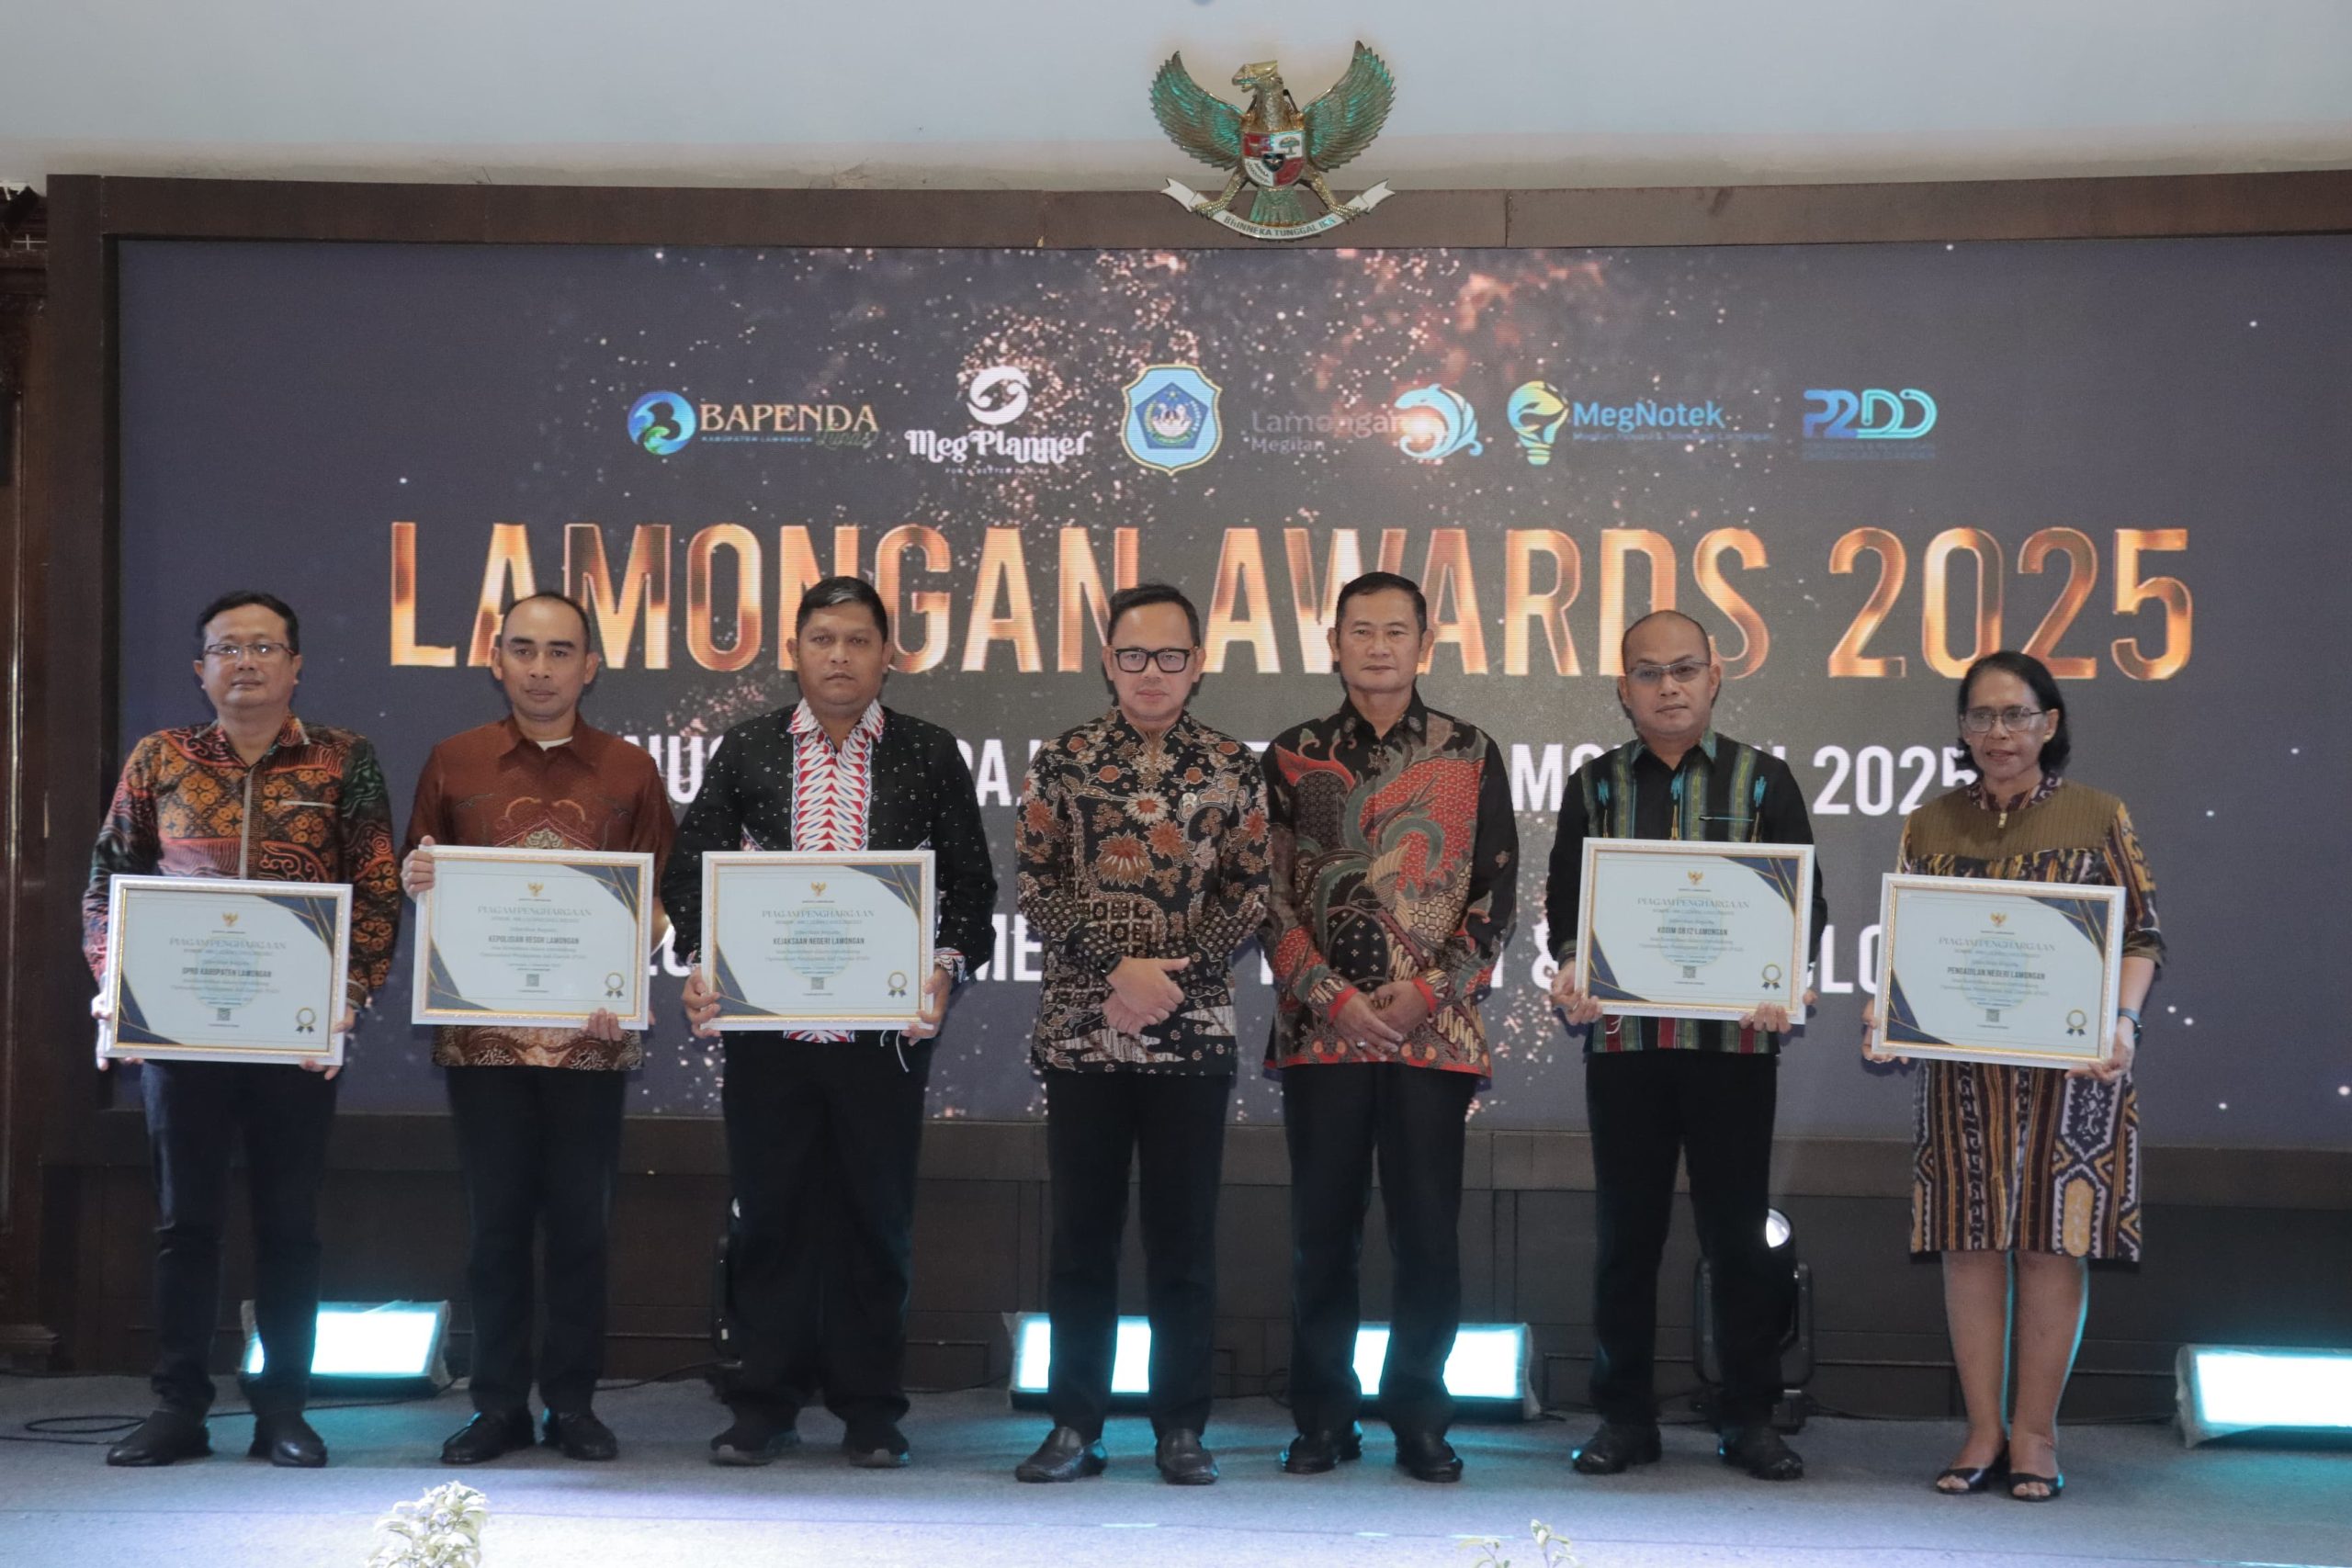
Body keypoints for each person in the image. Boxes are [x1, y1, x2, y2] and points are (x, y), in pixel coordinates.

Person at [664, 576, 997, 1470]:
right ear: (795, 652)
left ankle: (870, 1409)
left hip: (882, 1040)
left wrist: (940, 971)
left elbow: (970, 887)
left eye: (857, 640)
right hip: (768, 1039)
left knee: (874, 1223)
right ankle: (761, 1403)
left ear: (888, 656)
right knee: (768, 1219)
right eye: (822, 639)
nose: (839, 656)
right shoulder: (748, 749)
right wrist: (703, 962)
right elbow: (690, 870)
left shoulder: (928, 752)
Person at [84, 590, 400, 1468]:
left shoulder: (344, 759)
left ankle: (283, 1408)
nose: (246, 662)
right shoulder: (161, 757)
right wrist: (115, 979)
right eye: (228, 647)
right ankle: (178, 1405)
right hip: (181, 1037)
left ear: (296, 665)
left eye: (265, 647)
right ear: (201, 668)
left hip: (295, 1039)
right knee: (185, 1225)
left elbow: (376, 885)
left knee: (290, 1227)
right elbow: (108, 881)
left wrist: (350, 993)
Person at [1866, 649, 2162, 1503]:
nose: (1999, 732)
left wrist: (2124, 1021)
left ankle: (2035, 1433)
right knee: (1968, 1244)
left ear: (2049, 722)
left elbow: (2142, 936)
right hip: (1963, 1074)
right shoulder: (1929, 823)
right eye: (1981, 716)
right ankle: (1982, 1429)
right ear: (1963, 728)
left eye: (2017, 714)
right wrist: (1890, 1012)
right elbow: (1913, 947)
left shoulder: (2099, 814)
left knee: (2049, 1243)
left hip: (2073, 1070)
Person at [1545, 608, 1826, 1483]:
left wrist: (1787, 977)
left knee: (1739, 1238)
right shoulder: (1595, 784)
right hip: (1626, 1045)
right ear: (1622, 689)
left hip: (1733, 1047)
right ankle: (1623, 1415)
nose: (1668, 686)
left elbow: (1804, 905)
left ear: (1715, 676)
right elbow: (1566, 903)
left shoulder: (1763, 781)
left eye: (1684, 669)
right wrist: (1573, 961)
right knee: (1625, 1238)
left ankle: (1750, 1415)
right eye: (1648, 672)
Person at [400, 592, 677, 1465]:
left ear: (589, 666)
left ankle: (573, 1404)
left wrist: (621, 967)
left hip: (592, 1037)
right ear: (497, 661)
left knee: (581, 1230)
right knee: (496, 1230)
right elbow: (423, 875)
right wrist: (416, 877)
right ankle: (496, 1406)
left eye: (561, 652)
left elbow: (664, 894)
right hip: (482, 1039)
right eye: (524, 649)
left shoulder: (630, 769)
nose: (542, 668)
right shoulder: (453, 761)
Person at [1012, 583, 1270, 1487]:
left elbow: (1249, 894)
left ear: (1197, 665)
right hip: (1082, 1033)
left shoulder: (1234, 767)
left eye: (1169, 656)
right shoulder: (1063, 760)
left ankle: (1181, 1428)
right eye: (1133, 655)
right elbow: (1036, 884)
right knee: (1081, 1241)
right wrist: (1119, 969)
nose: (1150, 672)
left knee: (1181, 1243)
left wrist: (1168, 984)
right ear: (1107, 662)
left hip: (1190, 1038)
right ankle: (1073, 1425)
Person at [1262, 570, 1517, 1484]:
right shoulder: (1290, 754)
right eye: (1360, 631)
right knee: (1321, 1234)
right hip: (1320, 1030)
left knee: (1427, 1236)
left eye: (1395, 631)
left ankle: (1420, 1416)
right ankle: (1323, 1417)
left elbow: (1493, 896)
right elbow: (1270, 896)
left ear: (1424, 643)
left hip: (1431, 1033)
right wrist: (1331, 994)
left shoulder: (1471, 750)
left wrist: (1429, 992)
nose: (1378, 646)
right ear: (1333, 643)